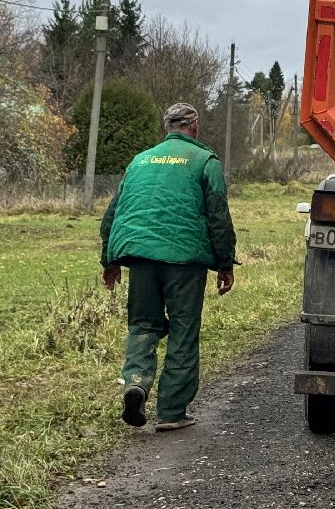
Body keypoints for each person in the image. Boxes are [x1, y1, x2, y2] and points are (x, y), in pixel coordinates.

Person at [100, 102, 236, 432]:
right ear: (195, 127)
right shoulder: (204, 160)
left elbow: (113, 214)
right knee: (183, 329)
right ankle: (172, 412)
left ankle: (136, 382)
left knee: (142, 325)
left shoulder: (140, 160)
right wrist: (225, 264)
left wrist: (110, 260)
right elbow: (218, 216)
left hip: (140, 256)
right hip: (184, 261)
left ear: (167, 128)